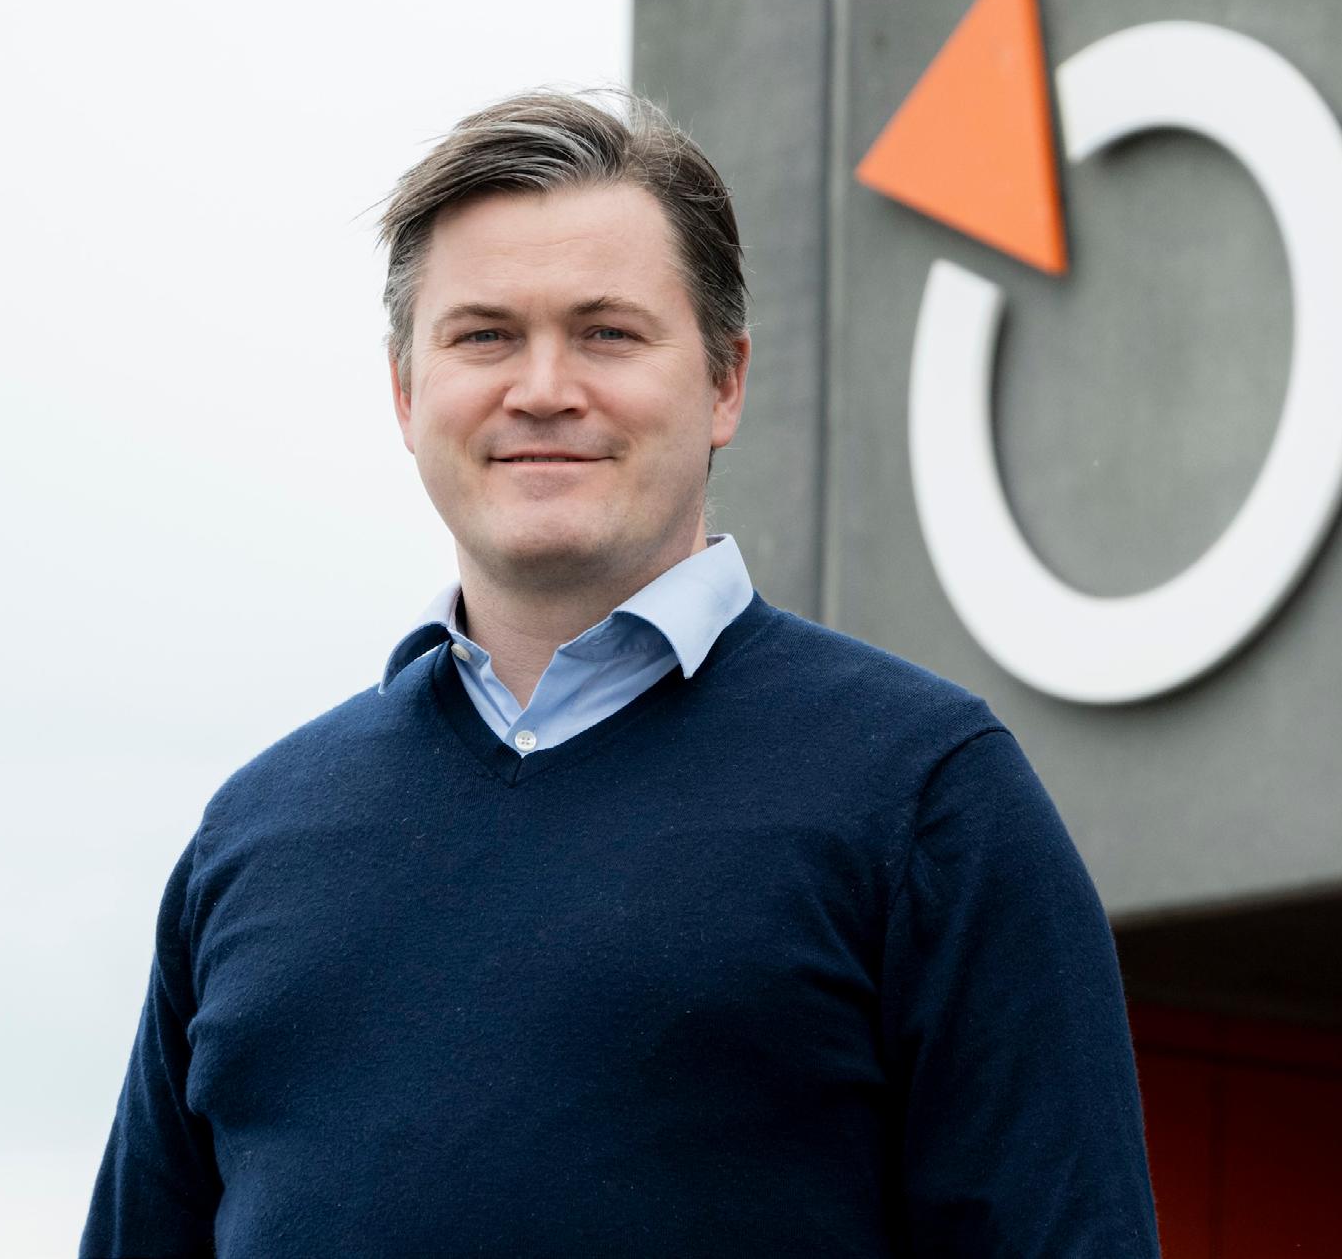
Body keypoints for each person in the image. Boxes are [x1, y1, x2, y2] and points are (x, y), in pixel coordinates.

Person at [79, 89, 1160, 1257]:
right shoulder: (252, 842)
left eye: (607, 332)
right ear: (405, 391)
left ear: (725, 383)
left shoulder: (927, 800)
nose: (543, 387)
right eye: (484, 335)